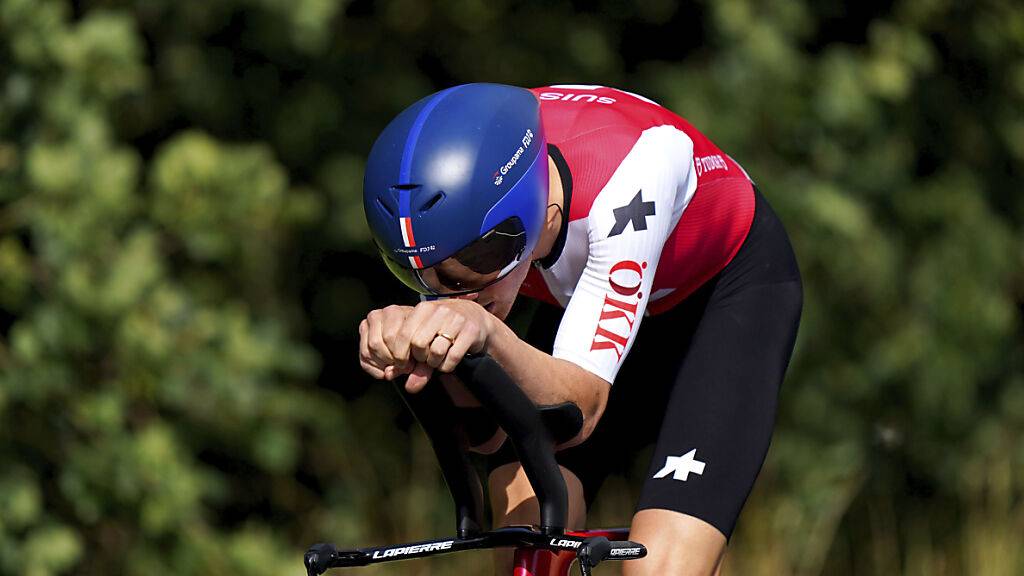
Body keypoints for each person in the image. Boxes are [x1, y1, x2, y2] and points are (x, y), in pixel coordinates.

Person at [358, 83, 802, 575]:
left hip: (723, 296)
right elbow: (480, 434)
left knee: (661, 567)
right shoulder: (469, 201)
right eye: (416, 272)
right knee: (528, 532)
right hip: (586, 289)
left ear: (533, 210)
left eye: (473, 262)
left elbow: (580, 409)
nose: (451, 290)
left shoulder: (631, 175)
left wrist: (484, 331)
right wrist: (414, 348)